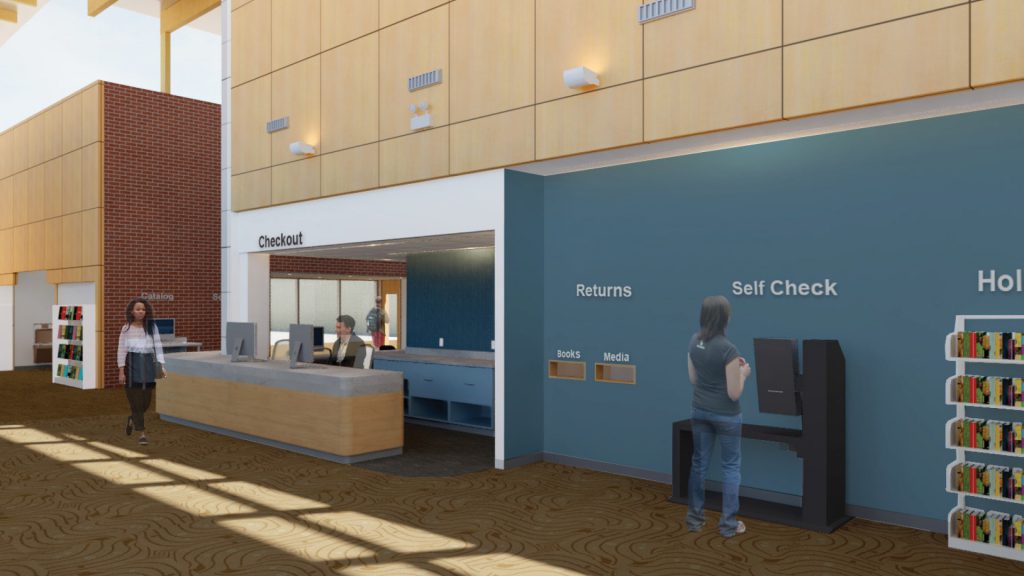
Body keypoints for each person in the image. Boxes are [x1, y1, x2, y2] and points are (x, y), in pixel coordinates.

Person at [686, 295, 750, 537]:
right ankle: (728, 525)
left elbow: (693, 378)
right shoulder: (728, 349)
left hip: (699, 410)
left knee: (699, 464)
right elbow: (734, 393)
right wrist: (743, 372)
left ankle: (694, 520)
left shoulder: (693, 341)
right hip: (726, 416)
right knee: (731, 467)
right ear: (726, 317)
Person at [117, 298, 165, 446]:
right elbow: (121, 350)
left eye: (143, 309)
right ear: (132, 311)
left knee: (145, 402)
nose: (141, 312)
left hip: (148, 365)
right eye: (138, 309)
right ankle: (142, 433)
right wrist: (121, 371)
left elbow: (158, 346)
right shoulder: (126, 329)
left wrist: (162, 366)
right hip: (132, 364)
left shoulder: (152, 327)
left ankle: (132, 418)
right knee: (136, 400)